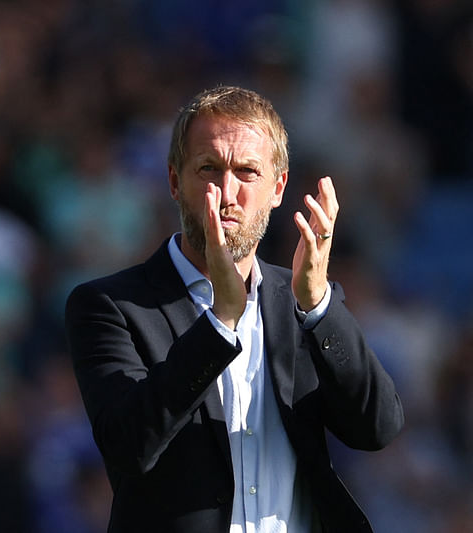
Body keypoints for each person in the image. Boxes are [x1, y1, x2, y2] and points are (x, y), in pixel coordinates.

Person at [64, 85, 404, 533]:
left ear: (278, 187)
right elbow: (129, 447)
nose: (227, 192)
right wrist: (221, 321)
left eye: (247, 172)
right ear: (174, 182)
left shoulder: (304, 300)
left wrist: (319, 305)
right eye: (209, 169)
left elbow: (376, 428)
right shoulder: (109, 306)